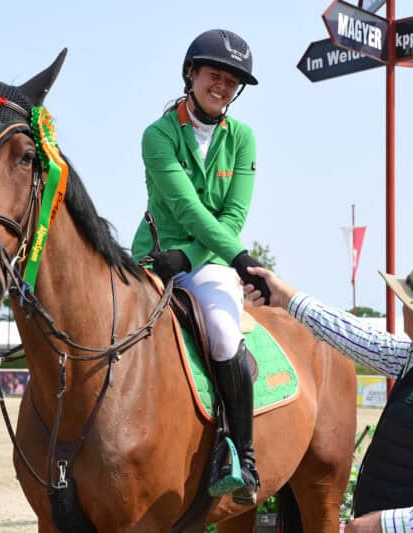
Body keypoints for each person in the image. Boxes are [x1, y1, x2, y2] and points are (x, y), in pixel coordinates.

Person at [243, 242, 413, 532]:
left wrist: (386, 524)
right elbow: (369, 343)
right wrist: (287, 298)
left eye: (407, 300)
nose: (402, 307)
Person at [131, 29, 270, 505]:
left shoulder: (245, 139)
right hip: (153, 257)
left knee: (224, 332)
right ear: (191, 73)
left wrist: (197, 257)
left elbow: (232, 216)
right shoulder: (158, 134)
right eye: (215, 74)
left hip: (206, 262)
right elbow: (187, 209)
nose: (223, 86)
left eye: (232, 81)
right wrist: (238, 256)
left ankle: (242, 457)